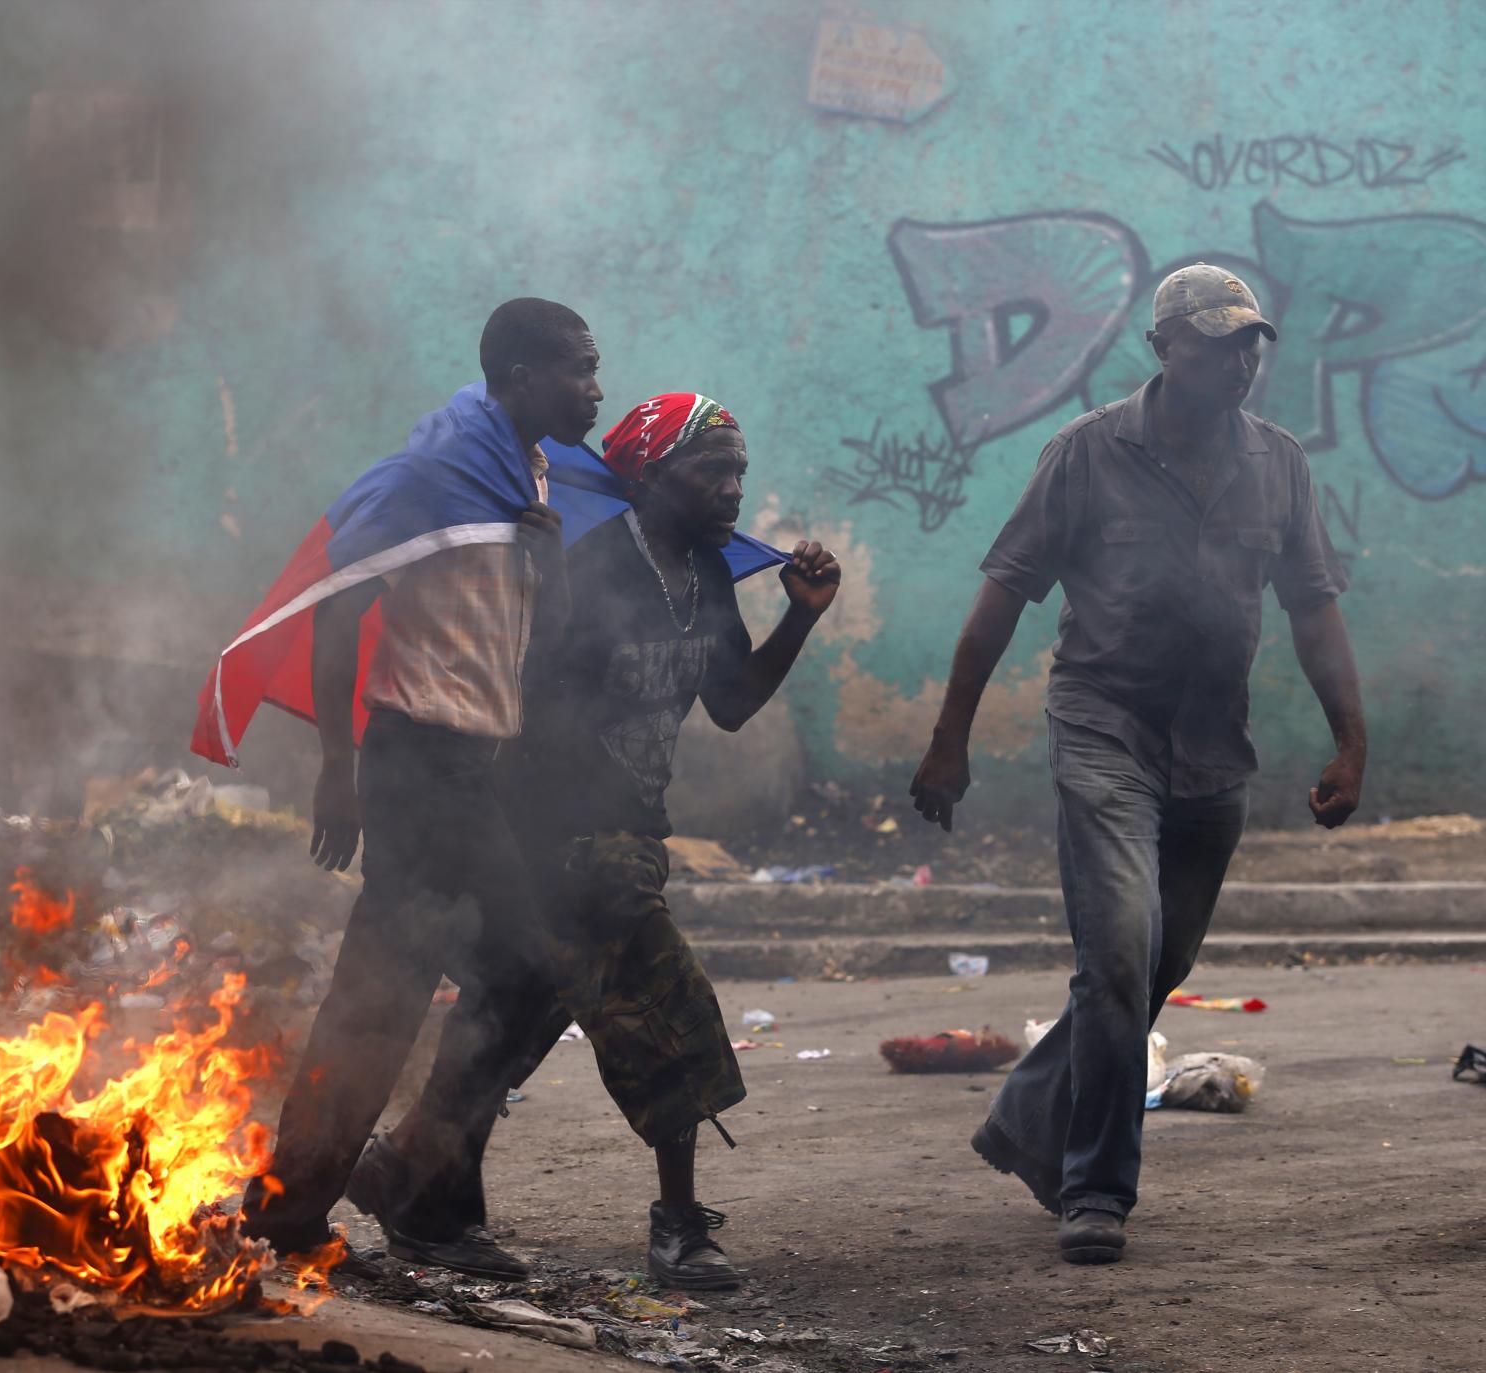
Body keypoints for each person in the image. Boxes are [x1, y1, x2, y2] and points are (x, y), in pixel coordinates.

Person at [907, 265, 1366, 1265]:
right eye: (1216, 341)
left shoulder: (1277, 463)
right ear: (1165, 348)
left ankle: (1026, 1108)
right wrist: (950, 737)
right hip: (1102, 727)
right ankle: (1094, 1189)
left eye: (1249, 342)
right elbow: (1002, 595)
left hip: (1213, 749)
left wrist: (1349, 739)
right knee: (1116, 951)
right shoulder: (1084, 453)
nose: (1239, 360)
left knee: (1154, 967)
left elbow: (1311, 606)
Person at [348, 393, 840, 1289]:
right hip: (558, 838)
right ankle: (679, 1225)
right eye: (711, 470)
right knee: (669, 1009)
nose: (732, 487)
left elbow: (730, 705)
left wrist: (801, 614)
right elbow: (521, 687)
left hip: (630, 835)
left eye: (738, 470)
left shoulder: (706, 573)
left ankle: (406, 1174)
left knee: (511, 1023)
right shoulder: (593, 565)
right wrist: (550, 588)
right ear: (648, 476)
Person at [236, 299, 602, 1272]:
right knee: (513, 975)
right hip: (415, 761)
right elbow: (335, 605)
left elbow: (544, 641)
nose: (595, 390)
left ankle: (316, 1199)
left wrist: (548, 557)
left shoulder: (521, 474)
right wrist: (332, 764)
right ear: (521, 377)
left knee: (389, 990)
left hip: (468, 766)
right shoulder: (431, 475)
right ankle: (406, 1186)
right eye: (579, 369)